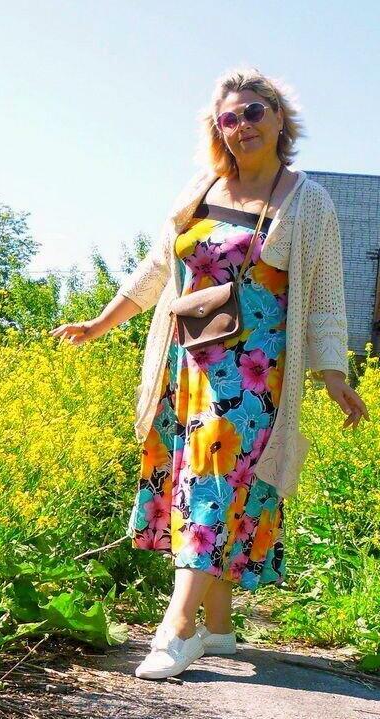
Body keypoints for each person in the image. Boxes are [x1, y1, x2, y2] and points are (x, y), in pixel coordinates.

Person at [48, 66, 370, 680]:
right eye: (229, 117)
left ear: (279, 118)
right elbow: (157, 268)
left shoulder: (309, 201)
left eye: (254, 112)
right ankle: (218, 626)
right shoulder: (200, 188)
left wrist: (332, 374)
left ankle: (177, 627)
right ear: (216, 129)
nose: (242, 125)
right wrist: (100, 322)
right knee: (201, 479)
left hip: (255, 374)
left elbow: (326, 297)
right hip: (190, 362)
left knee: (215, 478)